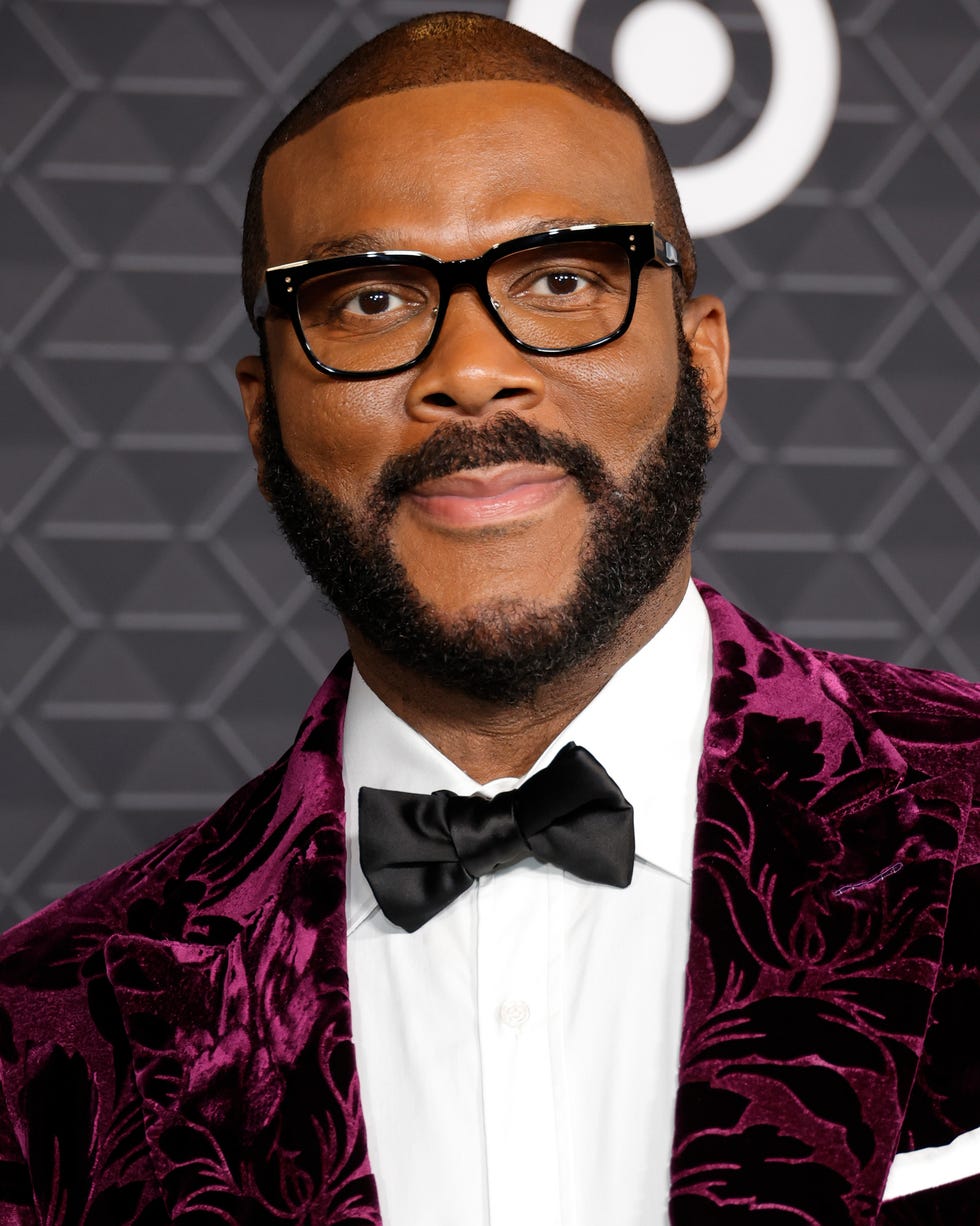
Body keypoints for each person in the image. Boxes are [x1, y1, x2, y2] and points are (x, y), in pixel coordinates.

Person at [0, 11, 977, 1225]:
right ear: (262, 423)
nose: (468, 368)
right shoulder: (37, 1026)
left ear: (703, 364)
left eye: (561, 280)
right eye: (365, 302)